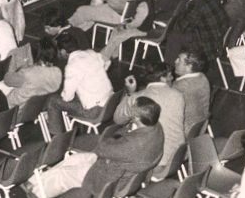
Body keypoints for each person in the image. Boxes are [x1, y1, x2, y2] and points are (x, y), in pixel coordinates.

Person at [27, 97, 164, 198]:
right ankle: (33, 182)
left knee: (63, 175)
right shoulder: (157, 128)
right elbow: (117, 140)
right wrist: (116, 139)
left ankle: (35, 194)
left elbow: (102, 147)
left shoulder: (133, 145)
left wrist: (113, 139)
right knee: (75, 159)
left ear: (137, 118)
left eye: (131, 110)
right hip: (118, 165)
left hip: (108, 177)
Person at [113, 63, 185, 169]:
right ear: (162, 78)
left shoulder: (137, 97)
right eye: (170, 75)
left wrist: (129, 93)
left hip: (154, 163)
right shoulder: (178, 95)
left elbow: (118, 119)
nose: (172, 78)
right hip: (177, 156)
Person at [45, 32, 113, 136]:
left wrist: (63, 94)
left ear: (63, 51)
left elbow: (67, 97)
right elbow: (108, 61)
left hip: (94, 111)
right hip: (110, 103)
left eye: (58, 50)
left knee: (53, 100)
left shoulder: (72, 66)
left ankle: (56, 138)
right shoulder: (91, 53)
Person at [165, 0, 229, 64]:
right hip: (217, 42)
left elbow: (183, 27)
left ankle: (169, 68)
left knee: (174, 36)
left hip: (207, 46)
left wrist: (181, 14)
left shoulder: (197, 3)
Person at [4, 38, 63, 108]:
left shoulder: (29, 73)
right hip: (33, 108)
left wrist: (21, 68)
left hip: (12, 107)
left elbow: (7, 80)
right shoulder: (56, 73)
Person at [172, 51, 211, 132]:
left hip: (184, 130)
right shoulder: (202, 77)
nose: (175, 61)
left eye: (179, 60)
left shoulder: (179, 86)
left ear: (188, 67)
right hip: (199, 126)